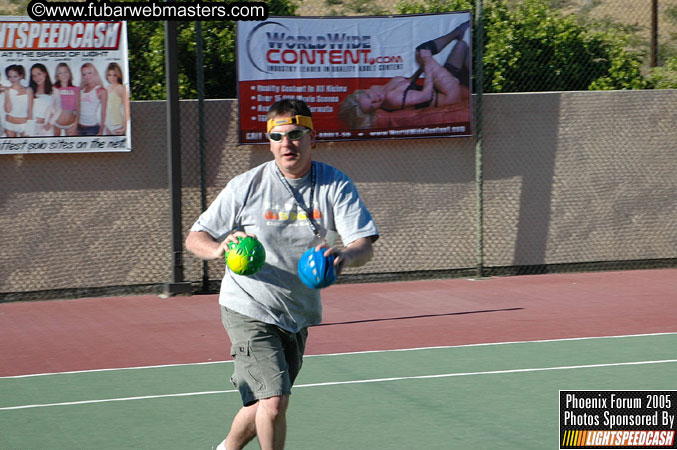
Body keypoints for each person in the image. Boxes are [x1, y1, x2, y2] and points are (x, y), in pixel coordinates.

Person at [185, 99, 379, 450]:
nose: (287, 143)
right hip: (247, 306)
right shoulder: (246, 186)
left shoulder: (334, 185)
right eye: (278, 136)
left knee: (265, 402)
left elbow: (363, 244)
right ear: (269, 142)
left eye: (296, 134)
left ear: (312, 138)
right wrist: (219, 249)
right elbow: (195, 237)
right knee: (275, 401)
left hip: (296, 311)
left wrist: (343, 254)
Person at [339, 20, 470, 129]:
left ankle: (475, 79)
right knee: (422, 51)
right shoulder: (391, 99)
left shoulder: (380, 89)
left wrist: (423, 66)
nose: (375, 100)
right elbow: (426, 95)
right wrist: (428, 66)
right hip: (448, 94)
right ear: (374, 111)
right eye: (372, 106)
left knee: (461, 46)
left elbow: (411, 82)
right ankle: (459, 30)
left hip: (443, 87)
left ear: (364, 91)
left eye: (368, 96)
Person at [29, 63, 61, 137]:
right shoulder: (30, 90)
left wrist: (50, 122)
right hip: (32, 126)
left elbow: (59, 109)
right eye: (34, 76)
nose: (37, 78)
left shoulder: (54, 90)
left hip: (46, 127)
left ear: (45, 73)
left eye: (39, 74)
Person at [3, 64, 33, 138]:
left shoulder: (28, 90)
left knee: (25, 147)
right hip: (9, 123)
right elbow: (8, 110)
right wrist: (7, 93)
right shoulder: (7, 90)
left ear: (21, 76)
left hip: (23, 124)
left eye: (15, 76)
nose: (12, 79)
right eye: (10, 76)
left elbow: (30, 110)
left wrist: (30, 127)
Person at [78, 63, 107, 136]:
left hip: (92, 128)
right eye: (84, 74)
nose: (87, 76)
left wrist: (101, 130)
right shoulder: (81, 90)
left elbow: (103, 112)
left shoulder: (101, 90)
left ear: (94, 73)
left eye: (89, 73)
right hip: (79, 127)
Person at [53, 63, 79, 136]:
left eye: (65, 72)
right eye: (60, 73)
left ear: (69, 73)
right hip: (55, 124)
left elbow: (78, 109)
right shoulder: (54, 88)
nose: (63, 75)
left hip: (71, 124)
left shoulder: (76, 89)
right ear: (57, 76)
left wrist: (76, 124)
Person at [103, 62, 130, 135]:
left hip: (117, 124)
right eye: (109, 75)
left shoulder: (121, 88)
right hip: (107, 125)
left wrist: (125, 127)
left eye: (114, 75)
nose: (112, 78)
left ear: (118, 75)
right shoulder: (106, 88)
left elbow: (126, 109)